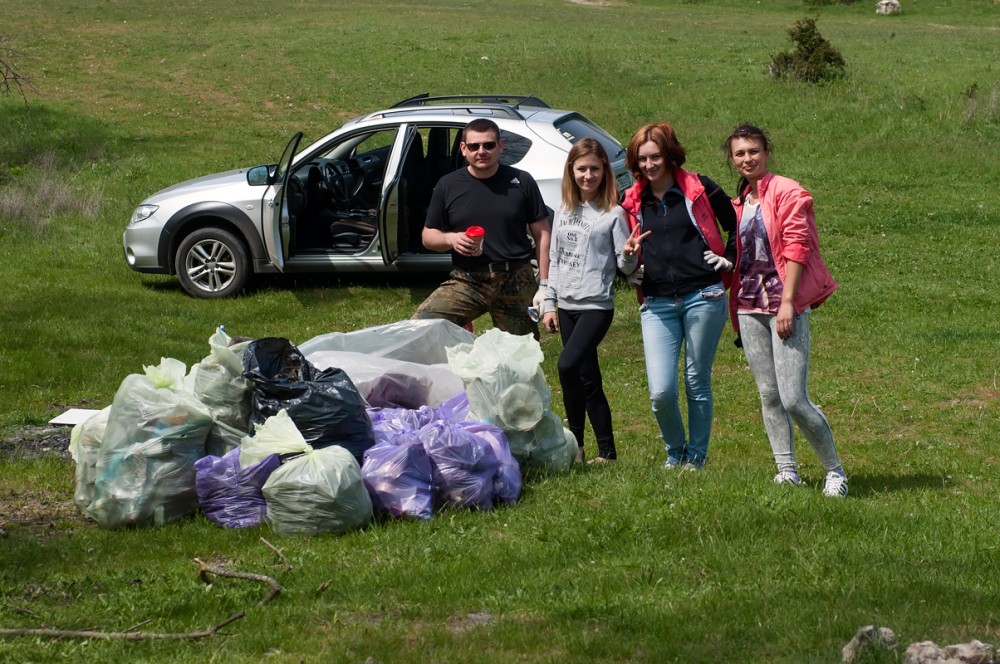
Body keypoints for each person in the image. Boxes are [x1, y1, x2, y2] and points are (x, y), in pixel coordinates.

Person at [724, 123, 848, 497]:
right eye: (740, 153)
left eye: (754, 151)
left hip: (783, 306)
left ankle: (835, 472)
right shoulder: (739, 203)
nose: (747, 158)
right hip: (748, 307)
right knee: (769, 394)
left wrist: (788, 303)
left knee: (794, 398)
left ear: (767, 152)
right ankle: (786, 469)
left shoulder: (787, 192)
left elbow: (797, 247)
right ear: (732, 159)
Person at [620, 122, 737, 471]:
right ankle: (675, 451)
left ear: (670, 155)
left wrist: (729, 258)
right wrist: (627, 263)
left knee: (696, 381)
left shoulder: (700, 188)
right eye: (642, 159)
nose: (649, 165)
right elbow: (620, 254)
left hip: (704, 295)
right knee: (660, 392)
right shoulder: (630, 201)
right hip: (656, 303)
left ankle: (696, 458)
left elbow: (735, 222)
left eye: (655, 157)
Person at [541, 138, 636, 464]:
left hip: (596, 306)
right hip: (566, 306)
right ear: (571, 170)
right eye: (582, 169)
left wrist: (629, 255)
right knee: (587, 379)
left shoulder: (613, 214)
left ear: (604, 171)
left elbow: (626, 267)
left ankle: (579, 445)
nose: (588, 175)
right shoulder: (563, 210)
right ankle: (596, 451)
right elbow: (555, 259)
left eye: (595, 169)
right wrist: (550, 303)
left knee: (566, 365)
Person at [412, 118, 550, 336]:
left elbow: (542, 234)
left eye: (488, 145)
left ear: (500, 146)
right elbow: (428, 236)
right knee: (420, 327)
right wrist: (451, 239)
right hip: (468, 279)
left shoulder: (522, 181)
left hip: (516, 279)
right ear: (463, 148)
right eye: (474, 146)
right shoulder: (448, 185)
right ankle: (461, 332)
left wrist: (545, 285)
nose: (481, 151)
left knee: (520, 350)